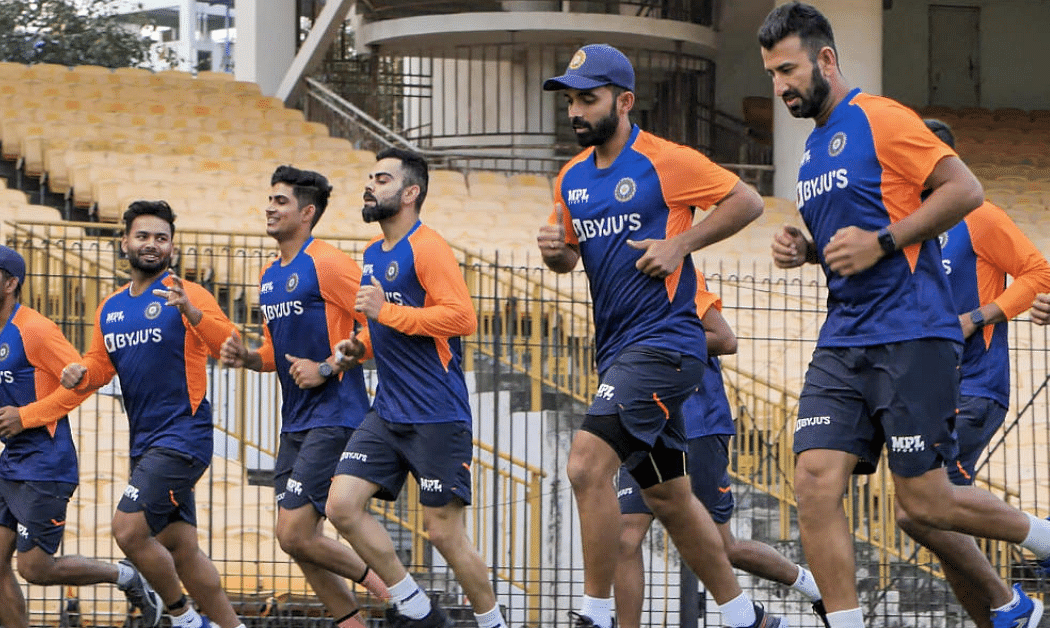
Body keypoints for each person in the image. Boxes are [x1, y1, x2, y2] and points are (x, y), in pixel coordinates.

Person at [759, 4, 1050, 628]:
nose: (780, 86)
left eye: (788, 69)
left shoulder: (882, 118)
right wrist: (806, 249)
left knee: (924, 502)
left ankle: (1041, 542)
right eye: (771, 75)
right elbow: (847, 243)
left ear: (826, 60)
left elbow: (964, 189)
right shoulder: (812, 152)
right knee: (813, 480)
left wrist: (886, 241)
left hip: (912, 334)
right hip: (843, 340)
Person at [537, 44, 776, 628]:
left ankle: (593, 614)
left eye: (587, 99)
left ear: (624, 101)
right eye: (570, 99)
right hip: (618, 350)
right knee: (669, 496)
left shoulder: (664, 160)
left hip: (666, 344)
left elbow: (745, 201)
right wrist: (557, 255)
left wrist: (680, 245)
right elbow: (570, 259)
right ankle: (747, 618)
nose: (575, 110)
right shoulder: (570, 178)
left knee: (585, 465)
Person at [328, 148, 507, 628]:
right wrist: (359, 347)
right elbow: (387, 327)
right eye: (369, 177)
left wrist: (385, 312)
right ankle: (417, 606)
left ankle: (493, 623)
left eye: (382, 179)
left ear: (410, 193)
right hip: (387, 411)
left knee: (443, 534)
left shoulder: (428, 247)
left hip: (436, 414)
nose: (370, 185)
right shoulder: (371, 252)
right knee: (342, 506)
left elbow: (461, 317)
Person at [48, 200, 245, 628]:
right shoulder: (111, 308)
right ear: (125, 243)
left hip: (183, 437)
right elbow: (100, 365)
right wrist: (79, 373)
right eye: (143, 236)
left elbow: (230, 343)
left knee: (128, 530)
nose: (152, 244)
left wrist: (192, 313)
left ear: (172, 247)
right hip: (146, 443)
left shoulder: (188, 293)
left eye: (161, 238)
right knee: (180, 547)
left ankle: (183, 618)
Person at [0, 244, 164, 628]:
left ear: (11, 282)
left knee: (34, 567)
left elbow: (80, 383)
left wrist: (26, 416)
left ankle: (129, 577)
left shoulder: (35, 328)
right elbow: (15, 408)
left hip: (47, 466)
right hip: (12, 462)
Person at [893, 118, 1050, 628]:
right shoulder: (908, 228)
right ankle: (1007, 615)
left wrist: (977, 316)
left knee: (918, 509)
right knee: (935, 524)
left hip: (977, 387)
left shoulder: (978, 216)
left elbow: (1038, 273)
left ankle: (1018, 592)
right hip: (928, 393)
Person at [219, 166, 391, 628]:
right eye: (270, 200)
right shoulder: (269, 274)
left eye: (281, 202)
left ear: (307, 212)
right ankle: (354, 623)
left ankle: (391, 585)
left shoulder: (328, 262)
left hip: (336, 414)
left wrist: (328, 367)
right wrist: (249, 358)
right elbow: (278, 352)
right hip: (293, 421)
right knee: (296, 539)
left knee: (293, 531)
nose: (270, 208)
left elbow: (377, 324)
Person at [613, 271, 828, 628]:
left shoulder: (675, 271)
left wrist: (655, 344)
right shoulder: (614, 280)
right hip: (642, 424)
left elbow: (725, 339)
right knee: (624, 537)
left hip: (697, 424)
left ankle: (814, 589)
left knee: (724, 547)